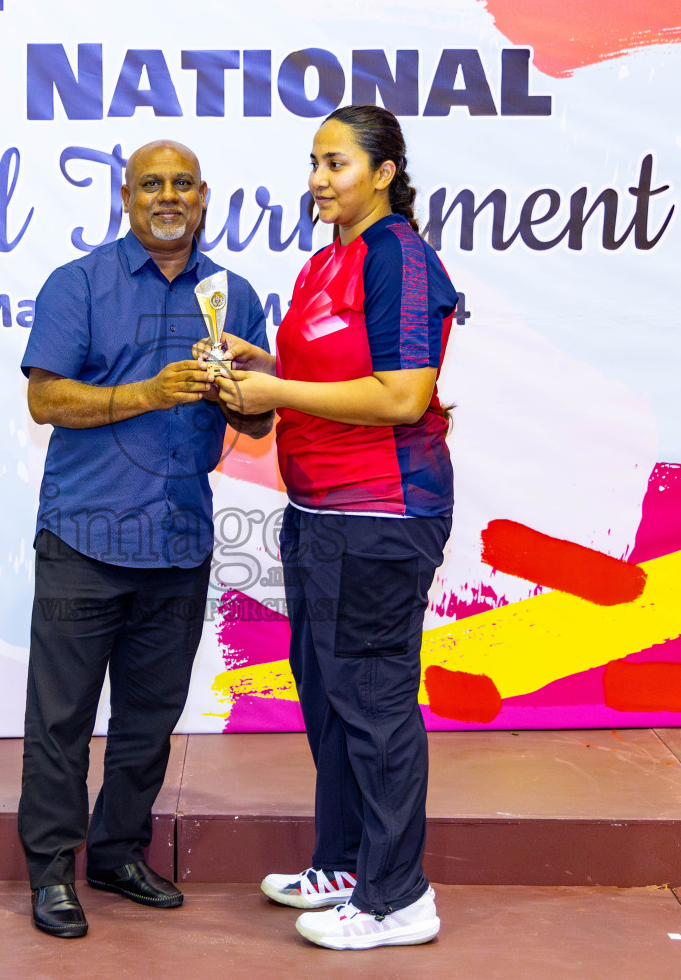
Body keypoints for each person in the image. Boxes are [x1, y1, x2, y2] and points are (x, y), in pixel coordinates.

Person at [210, 105, 457, 950]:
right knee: (328, 695)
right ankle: (348, 862)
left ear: (385, 172)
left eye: (339, 163)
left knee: (376, 704)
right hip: (317, 512)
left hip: (381, 517)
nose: (320, 178)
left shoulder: (399, 259)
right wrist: (264, 367)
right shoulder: (328, 261)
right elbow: (329, 373)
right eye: (315, 162)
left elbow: (402, 395)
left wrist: (277, 396)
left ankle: (399, 899)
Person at [18, 140, 273, 939]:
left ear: (205, 197)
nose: (169, 196)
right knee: (61, 720)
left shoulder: (235, 295)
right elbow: (47, 400)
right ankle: (53, 871)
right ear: (126, 197)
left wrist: (243, 394)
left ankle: (118, 852)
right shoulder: (78, 285)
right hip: (84, 539)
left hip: (179, 543)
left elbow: (261, 421)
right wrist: (146, 393)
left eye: (183, 184)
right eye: (152, 184)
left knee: (149, 717)